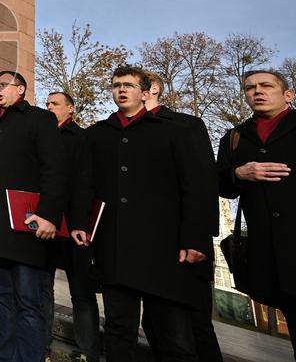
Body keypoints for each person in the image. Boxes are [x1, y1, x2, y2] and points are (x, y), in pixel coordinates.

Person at [71, 66, 215, 362]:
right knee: (118, 328)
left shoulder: (176, 130)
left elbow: (196, 187)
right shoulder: (98, 133)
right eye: (115, 86)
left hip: (164, 251)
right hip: (115, 248)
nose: (121, 90)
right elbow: (84, 182)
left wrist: (195, 238)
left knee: (172, 335)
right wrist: (79, 223)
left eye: (128, 85)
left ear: (144, 92)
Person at [217, 69, 296, 361]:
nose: (257, 91)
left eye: (266, 85)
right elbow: (221, 185)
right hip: (282, 265)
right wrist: (239, 173)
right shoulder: (235, 138)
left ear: (288, 94)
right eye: (250, 88)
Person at [0, 70, 67, 362]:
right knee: (0, 299)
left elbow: (55, 170)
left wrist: (48, 215)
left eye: (3, 85)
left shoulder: (38, 119)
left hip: (26, 229)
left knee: (28, 302)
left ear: (20, 89)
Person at [143, 72, 223, 362]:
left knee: (192, 328)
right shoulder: (127, 131)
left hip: (184, 245)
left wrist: (197, 239)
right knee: (154, 324)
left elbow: (203, 184)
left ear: (152, 89)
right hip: (149, 246)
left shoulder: (186, 125)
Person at [44, 91, 100, 362]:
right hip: (45, 225)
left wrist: (80, 223)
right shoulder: (42, 137)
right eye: (47, 104)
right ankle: (39, 344)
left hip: (74, 227)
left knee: (81, 292)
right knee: (43, 288)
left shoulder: (82, 138)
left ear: (71, 109)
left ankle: (87, 351)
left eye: (54, 104)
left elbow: (85, 183)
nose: (49, 107)